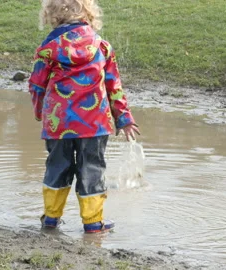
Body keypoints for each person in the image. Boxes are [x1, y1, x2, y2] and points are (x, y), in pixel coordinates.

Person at [28, 0, 140, 233]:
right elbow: (114, 86)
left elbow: (37, 84)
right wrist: (124, 118)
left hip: (59, 124)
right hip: (94, 124)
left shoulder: (48, 48)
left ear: (51, 15)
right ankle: (93, 222)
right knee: (92, 169)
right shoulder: (102, 46)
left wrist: (40, 112)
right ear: (89, 13)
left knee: (57, 166)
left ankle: (50, 219)